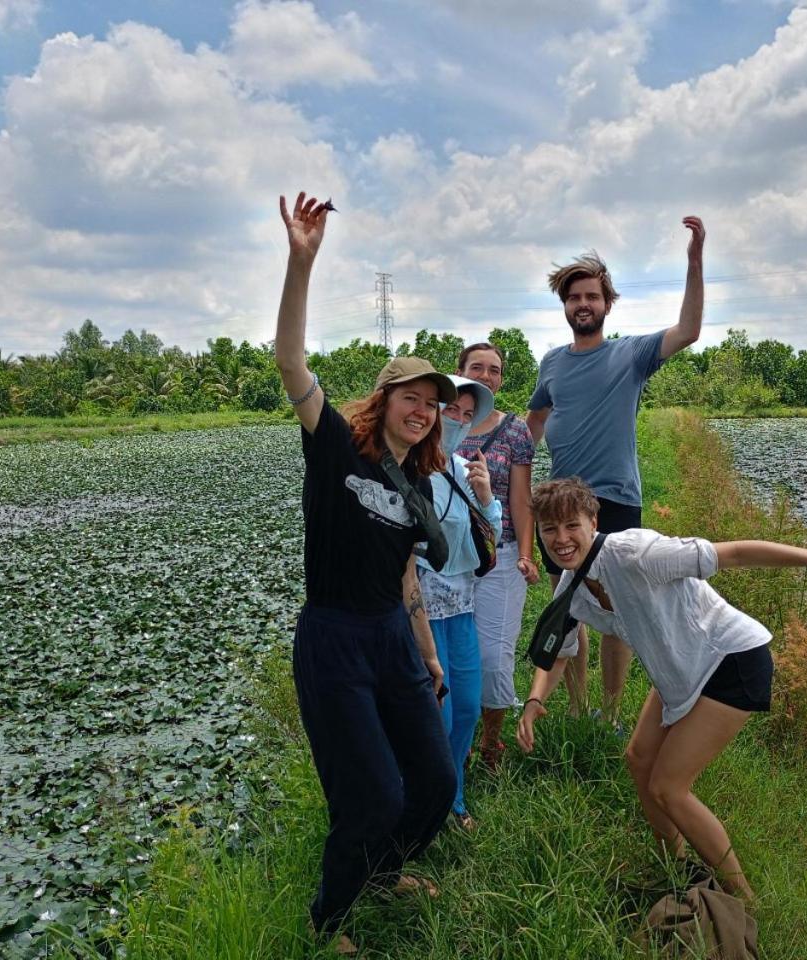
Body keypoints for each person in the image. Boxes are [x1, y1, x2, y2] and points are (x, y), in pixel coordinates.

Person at [516, 477, 807, 902]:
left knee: (669, 788)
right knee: (639, 759)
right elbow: (558, 652)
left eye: (571, 526)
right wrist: (533, 701)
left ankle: (742, 899)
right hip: (683, 671)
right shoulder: (571, 587)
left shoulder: (636, 553)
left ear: (593, 521)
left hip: (730, 661)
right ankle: (671, 869)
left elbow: (731, 553)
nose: (561, 539)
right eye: (550, 530)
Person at [274, 192, 457, 955]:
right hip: (334, 640)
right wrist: (301, 260)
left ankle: (384, 872)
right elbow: (290, 359)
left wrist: (426, 649)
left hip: (389, 638)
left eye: (433, 406)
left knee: (435, 785)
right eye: (412, 399)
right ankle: (330, 918)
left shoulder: (416, 487)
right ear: (383, 401)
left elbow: (407, 578)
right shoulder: (335, 449)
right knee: (372, 795)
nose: (423, 411)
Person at [525, 217, 707, 727]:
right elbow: (535, 418)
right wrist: (506, 461)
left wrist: (694, 262)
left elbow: (689, 331)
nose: (582, 304)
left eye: (591, 296)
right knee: (571, 608)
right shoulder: (552, 364)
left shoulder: (630, 354)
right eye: (573, 297)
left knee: (618, 611)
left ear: (607, 303)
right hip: (561, 505)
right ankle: (580, 709)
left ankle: (609, 713)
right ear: (564, 306)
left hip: (615, 501)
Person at [417, 375, 502, 830]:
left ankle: (454, 797)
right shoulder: (405, 466)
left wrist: (487, 497)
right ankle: (428, 805)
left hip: (461, 605)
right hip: (420, 614)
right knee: (438, 711)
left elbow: (493, 537)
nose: (459, 421)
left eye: (468, 415)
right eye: (452, 410)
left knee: (467, 705)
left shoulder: (459, 467)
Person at [455, 342, 539, 768]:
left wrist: (525, 553)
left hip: (500, 555)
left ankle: (491, 744)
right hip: (446, 562)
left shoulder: (515, 431)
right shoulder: (442, 422)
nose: (486, 376)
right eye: (477, 368)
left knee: (494, 656)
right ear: (460, 372)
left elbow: (521, 500)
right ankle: (458, 742)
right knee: (454, 654)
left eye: (494, 370)